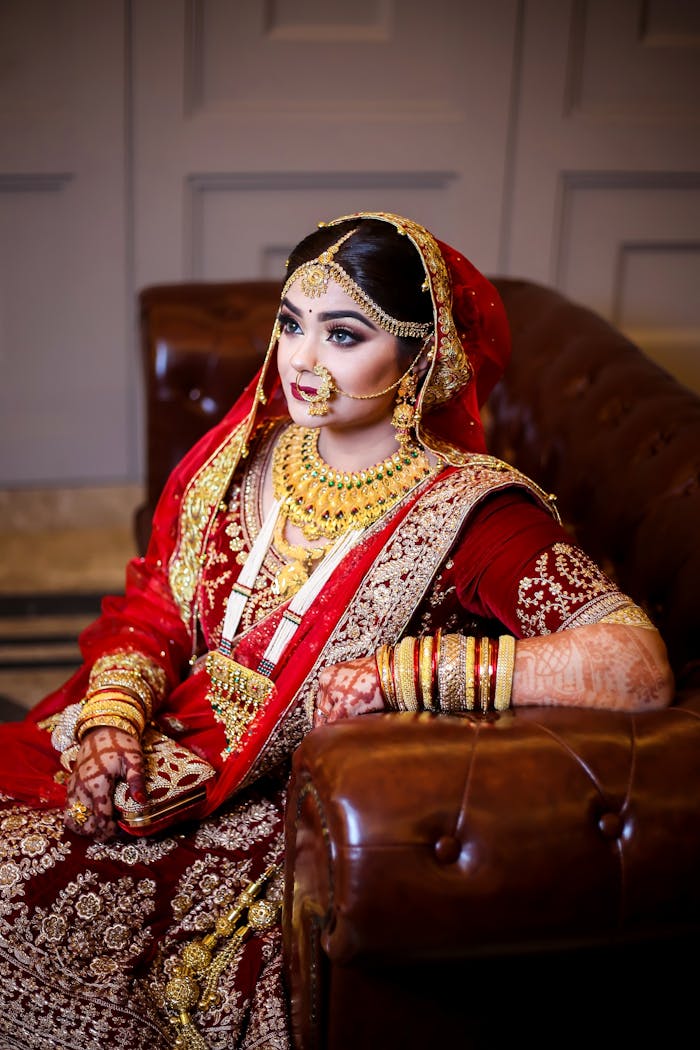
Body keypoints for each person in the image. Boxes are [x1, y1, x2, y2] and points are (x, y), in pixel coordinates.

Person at [0, 211, 673, 1049]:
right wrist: (111, 721)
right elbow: (158, 605)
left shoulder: (470, 514)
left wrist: (407, 672)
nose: (302, 360)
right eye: (291, 323)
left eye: (344, 334)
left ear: (421, 358)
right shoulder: (247, 453)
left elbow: (635, 664)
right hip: (167, 744)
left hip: (284, 802)